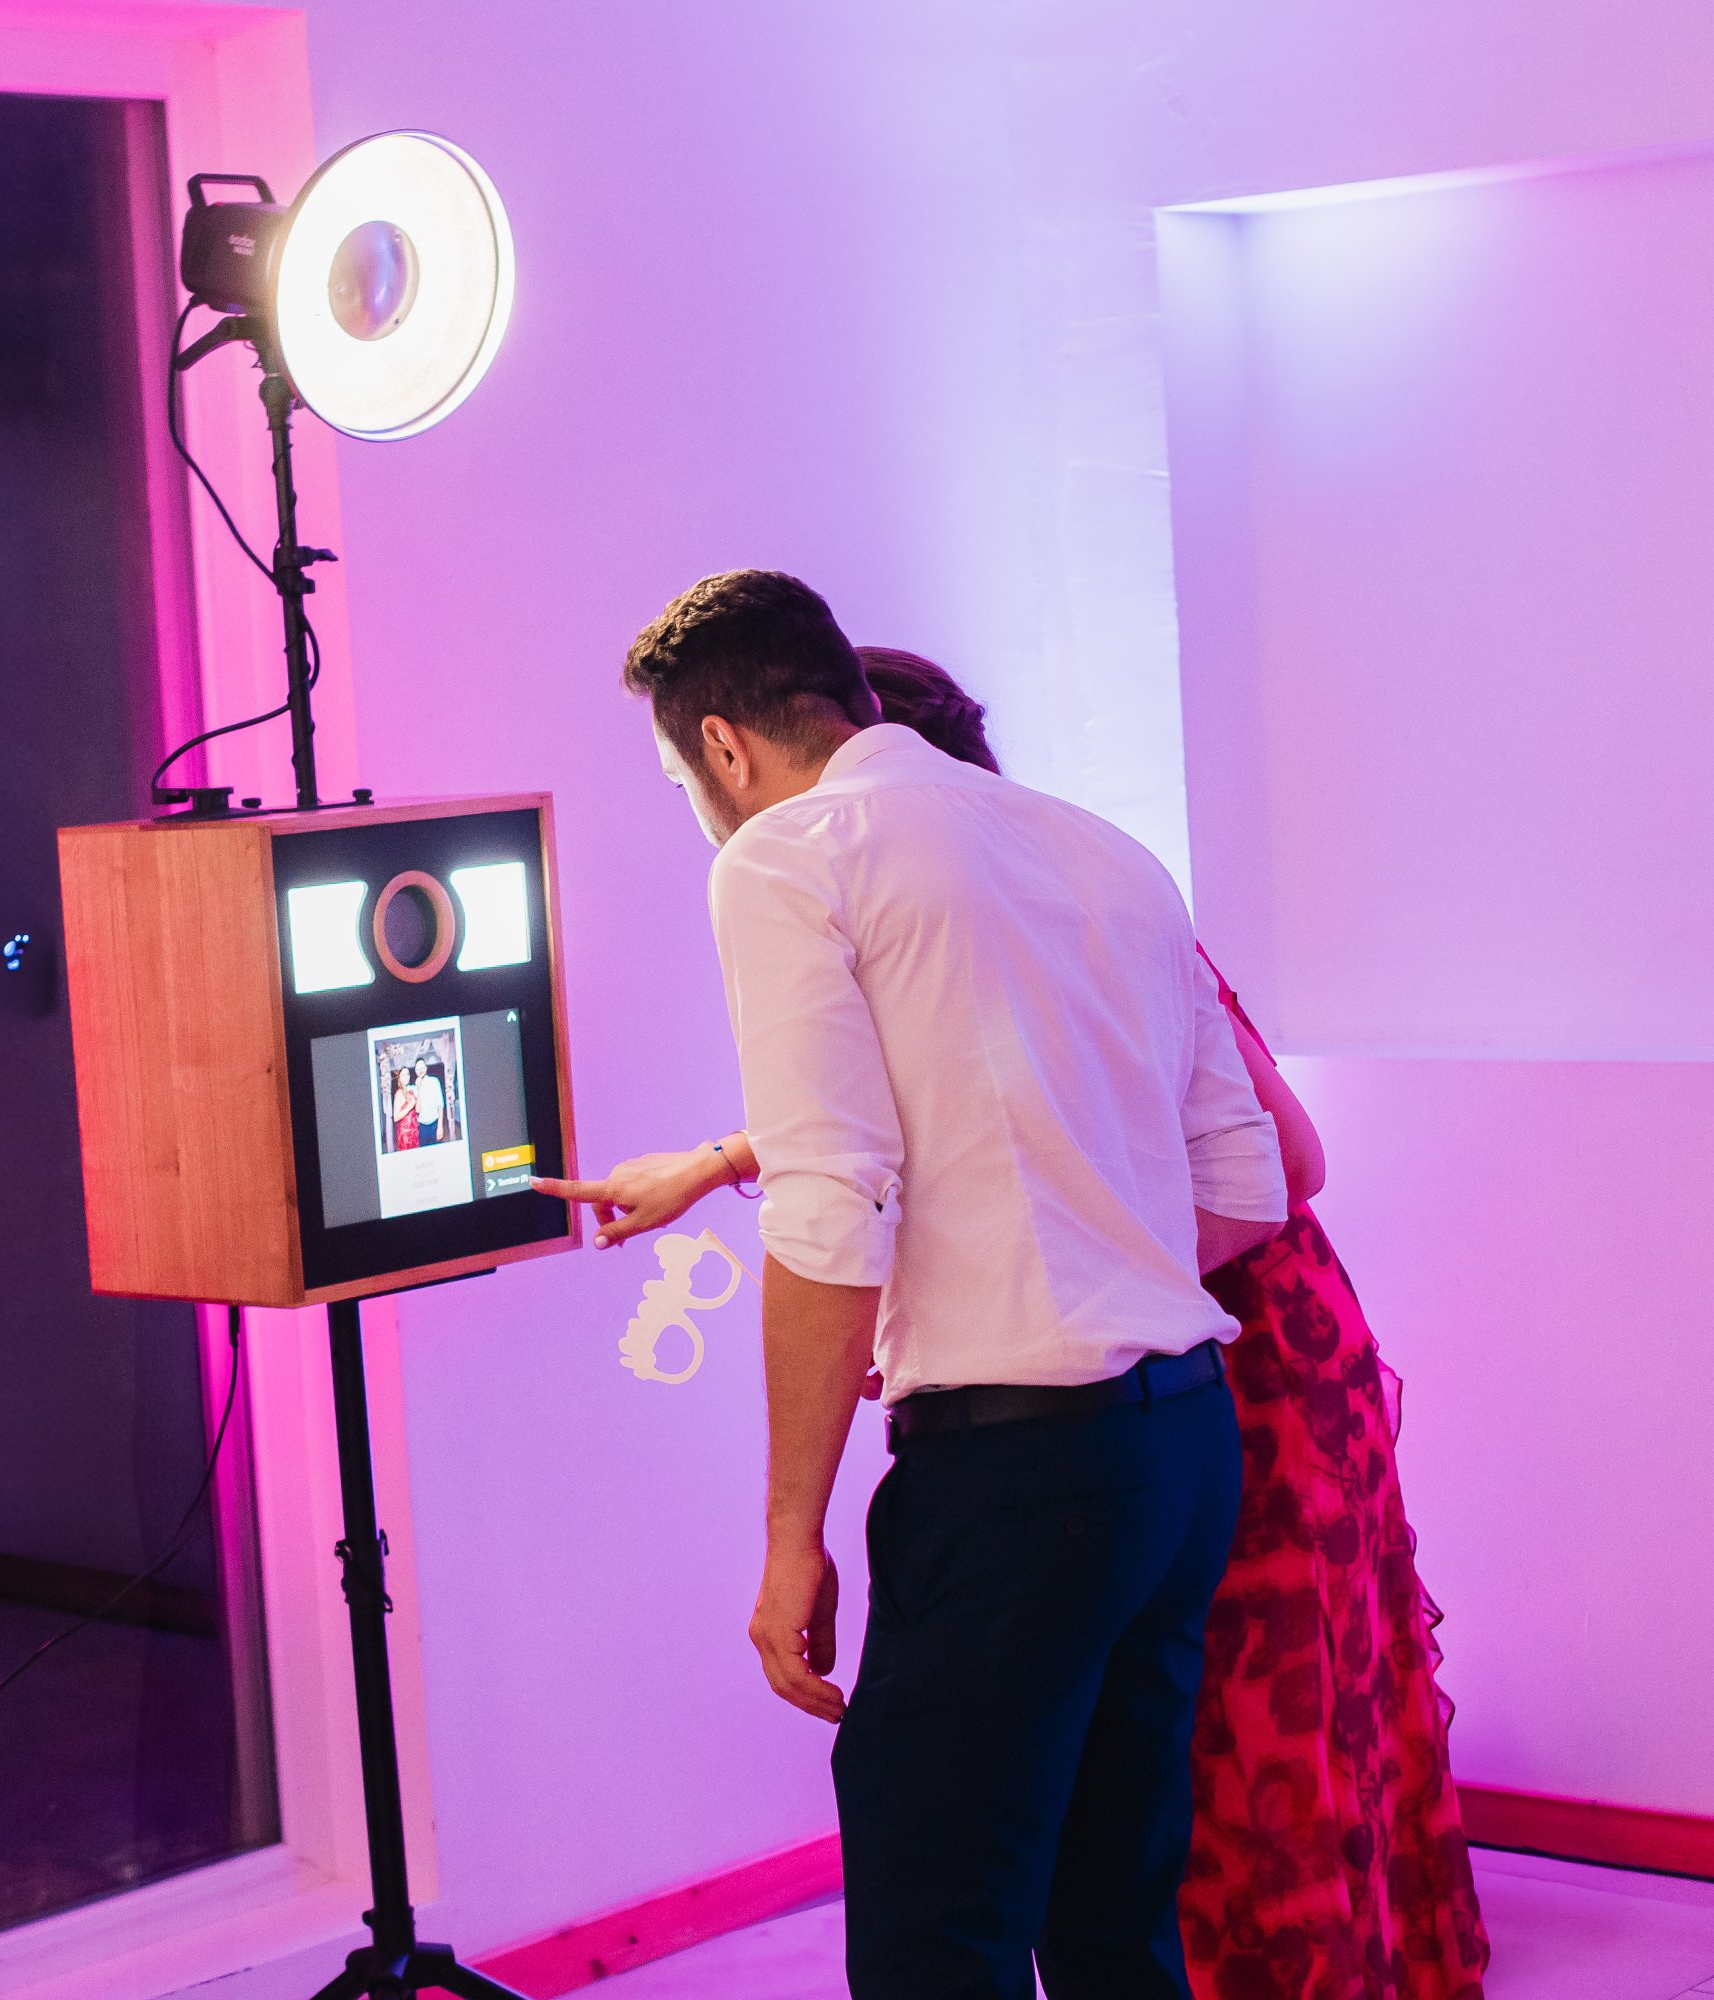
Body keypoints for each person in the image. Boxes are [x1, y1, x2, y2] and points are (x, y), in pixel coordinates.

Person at [549, 643, 1490, 1999]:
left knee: (944, 1932)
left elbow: (841, 1198)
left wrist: (790, 1535)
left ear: (734, 748)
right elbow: (1125, 1145)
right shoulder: (1100, 860)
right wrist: (1051, 1269)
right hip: (1182, 1426)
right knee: (1120, 1911)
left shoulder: (787, 859)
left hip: (1064, 1450)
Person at [414, 1058, 444, 1146]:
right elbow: (418, 1110)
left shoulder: (434, 1081)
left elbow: (440, 1105)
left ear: (426, 1068)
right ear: (415, 1071)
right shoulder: (415, 1087)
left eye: (422, 1067)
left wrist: (440, 1127)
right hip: (422, 1127)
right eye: (418, 1069)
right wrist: (419, 1088)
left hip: (435, 1123)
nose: (420, 1070)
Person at [392, 1066, 420, 1152]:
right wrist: (410, 1106)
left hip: (414, 1131)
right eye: (403, 1075)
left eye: (407, 1074)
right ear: (399, 1078)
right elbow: (396, 1117)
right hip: (405, 1135)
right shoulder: (399, 1093)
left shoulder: (410, 1091)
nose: (406, 1077)